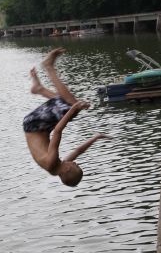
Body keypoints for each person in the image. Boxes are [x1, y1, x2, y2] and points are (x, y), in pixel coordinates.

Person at [23, 48, 110, 186]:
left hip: (33, 124)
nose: (75, 162)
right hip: (40, 127)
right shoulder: (57, 167)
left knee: (70, 106)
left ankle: (48, 67)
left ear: (68, 169)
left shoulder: (52, 161)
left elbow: (58, 131)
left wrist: (75, 107)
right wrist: (96, 137)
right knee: (65, 106)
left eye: (76, 165)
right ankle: (39, 89)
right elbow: (78, 150)